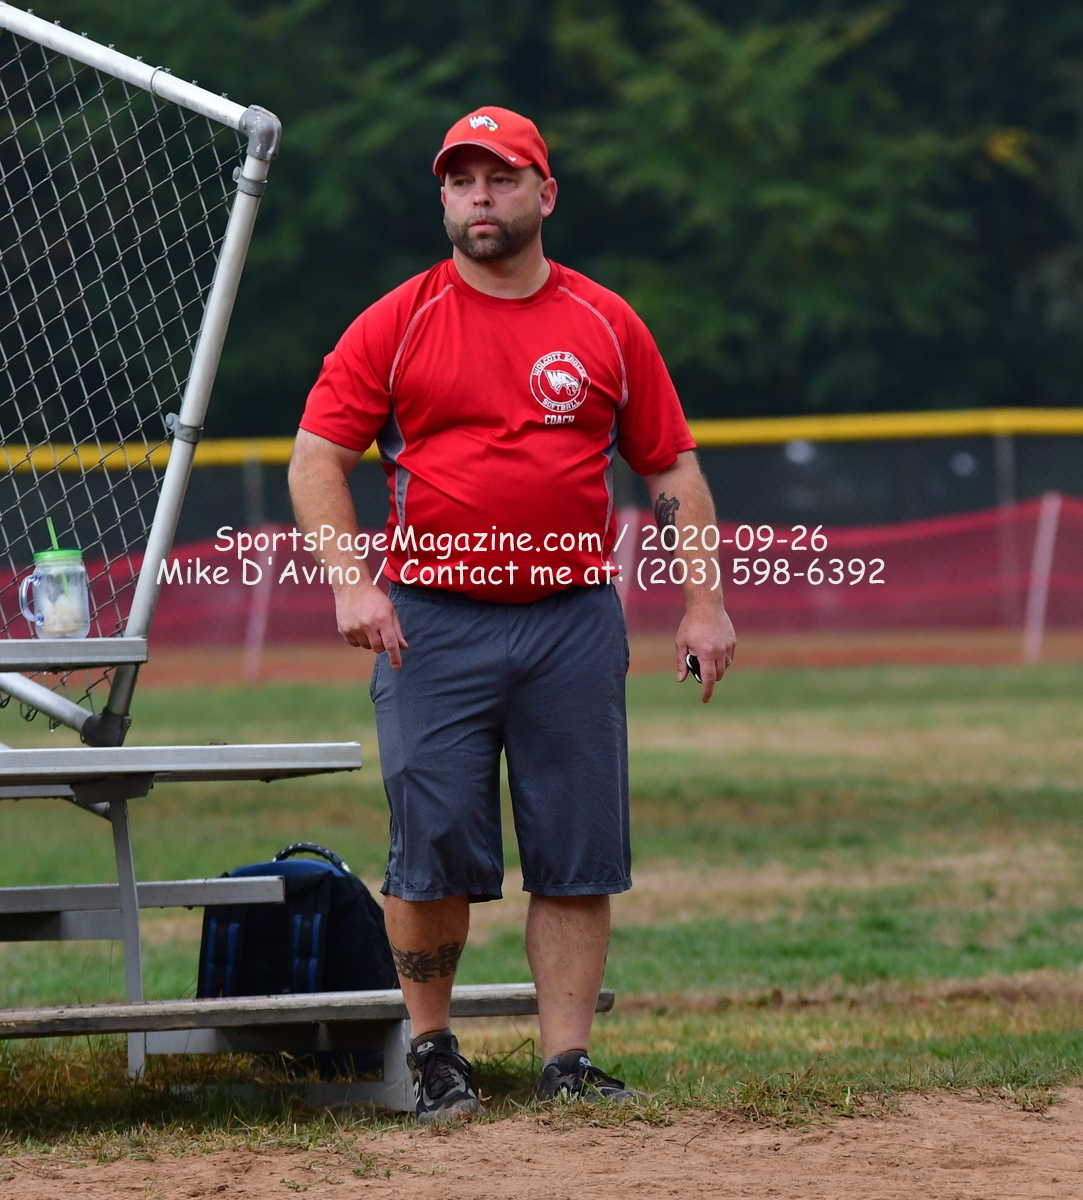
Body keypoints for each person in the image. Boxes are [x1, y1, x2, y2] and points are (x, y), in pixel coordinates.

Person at [288, 106, 737, 1123]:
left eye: (500, 178)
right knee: (432, 848)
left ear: (546, 193)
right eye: (460, 181)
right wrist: (352, 581)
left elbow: (669, 467)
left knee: (577, 850)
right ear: (444, 199)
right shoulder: (397, 320)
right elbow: (318, 458)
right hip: (431, 621)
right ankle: (433, 1052)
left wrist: (703, 601)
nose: (479, 197)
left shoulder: (605, 322)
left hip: (570, 618)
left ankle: (566, 1063)